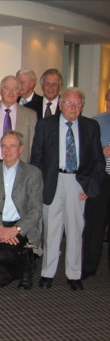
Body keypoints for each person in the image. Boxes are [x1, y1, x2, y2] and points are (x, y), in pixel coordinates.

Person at [30, 87, 104, 291]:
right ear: (61, 105)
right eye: (69, 103)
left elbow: (98, 161)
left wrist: (90, 186)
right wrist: (38, 185)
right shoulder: (45, 125)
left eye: (77, 103)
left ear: (82, 106)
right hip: (52, 181)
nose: (73, 107)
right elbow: (36, 158)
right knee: (51, 231)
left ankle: (74, 274)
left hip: (78, 183)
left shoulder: (91, 126)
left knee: (75, 230)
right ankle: (47, 273)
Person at [0, 131, 43, 289]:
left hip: (21, 225)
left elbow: (36, 210)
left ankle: (27, 263)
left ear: (21, 149)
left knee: (0, 256)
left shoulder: (33, 173)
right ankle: (26, 260)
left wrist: (16, 229)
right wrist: (0, 228)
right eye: (4, 146)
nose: (7, 150)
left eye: (12, 146)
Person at [0, 75, 37, 163]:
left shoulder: (30, 115)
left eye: (15, 89)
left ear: (19, 92)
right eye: (7, 88)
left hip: (19, 166)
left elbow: (32, 147)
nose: (11, 92)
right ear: (0, 91)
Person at [83, 88, 110, 279]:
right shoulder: (96, 122)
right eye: (109, 101)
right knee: (94, 225)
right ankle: (89, 266)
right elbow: (86, 151)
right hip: (101, 179)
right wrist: (102, 149)